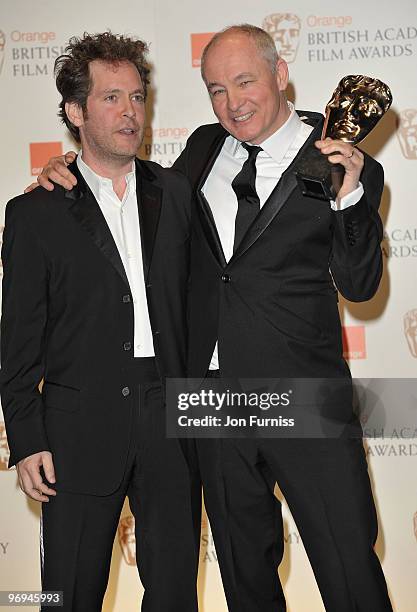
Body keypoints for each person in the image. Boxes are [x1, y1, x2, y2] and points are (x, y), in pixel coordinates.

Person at [33, 24, 392, 612]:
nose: (233, 103)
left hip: (304, 398)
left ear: (280, 75)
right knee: (244, 573)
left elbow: (360, 284)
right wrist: (63, 175)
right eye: (217, 90)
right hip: (213, 403)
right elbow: (128, 187)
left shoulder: (340, 161)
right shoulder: (201, 149)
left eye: (245, 81)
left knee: (349, 567)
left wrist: (350, 197)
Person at [1, 32, 199, 612]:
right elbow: (18, 337)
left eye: (136, 97)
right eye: (111, 98)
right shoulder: (35, 211)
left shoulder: (177, 193)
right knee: (66, 594)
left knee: (173, 595)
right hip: (76, 425)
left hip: (169, 416)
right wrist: (28, 437)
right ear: (75, 111)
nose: (130, 112)